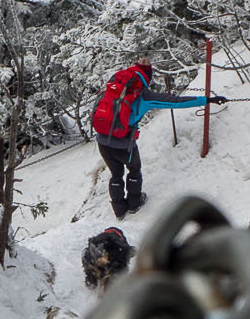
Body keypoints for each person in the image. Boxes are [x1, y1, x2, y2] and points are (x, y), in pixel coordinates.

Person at [89, 61, 227, 218]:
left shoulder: (112, 85)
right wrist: (207, 100)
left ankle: (119, 210)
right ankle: (134, 203)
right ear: (146, 78)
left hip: (102, 141)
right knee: (134, 170)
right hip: (124, 144)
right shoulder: (143, 95)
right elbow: (175, 102)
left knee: (116, 174)